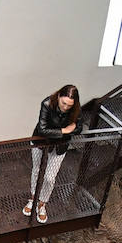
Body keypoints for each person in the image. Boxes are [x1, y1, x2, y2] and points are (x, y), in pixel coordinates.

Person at [25, 84, 84, 224]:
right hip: (40, 142)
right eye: (64, 103)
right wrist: (65, 130)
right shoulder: (47, 104)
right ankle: (33, 198)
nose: (66, 107)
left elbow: (79, 128)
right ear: (58, 97)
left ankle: (42, 203)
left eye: (69, 105)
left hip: (59, 146)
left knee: (50, 178)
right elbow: (42, 129)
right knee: (36, 170)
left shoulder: (76, 108)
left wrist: (69, 130)